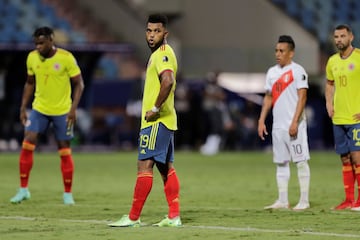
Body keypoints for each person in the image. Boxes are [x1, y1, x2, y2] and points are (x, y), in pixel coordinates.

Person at [108, 13, 181, 227]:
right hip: (166, 121)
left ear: (165, 33)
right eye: (149, 31)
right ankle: (174, 216)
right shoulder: (160, 53)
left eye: (156, 31)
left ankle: (132, 217)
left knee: (144, 165)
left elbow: (168, 81)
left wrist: (155, 108)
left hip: (157, 121)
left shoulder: (162, 55)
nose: (151, 35)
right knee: (166, 168)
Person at [10, 26, 85, 205]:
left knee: (64, 148)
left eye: (41, 43)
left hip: (62, 111)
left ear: (51, 40)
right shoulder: (32, 58)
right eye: (36, 43)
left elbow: (79, 84)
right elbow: (29, 83)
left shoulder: (66, 58)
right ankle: (23, 190)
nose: (38, 47)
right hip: (39, 109)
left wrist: (73, 109)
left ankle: (67, 194)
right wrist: (23, 107)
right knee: (28, 141)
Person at [258, 35, 310, 210]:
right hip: (278, 126)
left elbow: (302, 98)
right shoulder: (271, 72)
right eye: (276, 50)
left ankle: (304, 200)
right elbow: (268, 97)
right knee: (281, 162)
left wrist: (295, 122)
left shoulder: (298, 71)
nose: (277, 54)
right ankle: (283, 200)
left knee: (301, 161)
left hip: (295, 125)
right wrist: (261, 120)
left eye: (282, 51)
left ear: (291, 53)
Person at [325, 24, 360, 211]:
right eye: (336, 36)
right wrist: (329, 103)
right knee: (345, 159)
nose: (339, 40)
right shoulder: (332, 61)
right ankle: (348, 200)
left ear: (351, 37)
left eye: (342, 36)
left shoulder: (359, 57)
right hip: (339, 118)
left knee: (358, 159)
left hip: (356, 118)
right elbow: (329, 84)